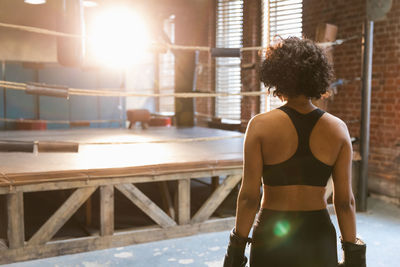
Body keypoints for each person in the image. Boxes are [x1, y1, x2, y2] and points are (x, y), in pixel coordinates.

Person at [223, 37, 366, 267]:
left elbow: (249, 197)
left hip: (272, 234)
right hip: (317, 235)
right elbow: (345, 201)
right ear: (318, 76)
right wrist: (353, 255)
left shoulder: (259, 126)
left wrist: (236, 248)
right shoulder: (338, 130)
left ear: (277, 76)